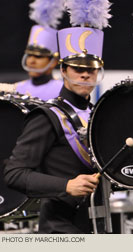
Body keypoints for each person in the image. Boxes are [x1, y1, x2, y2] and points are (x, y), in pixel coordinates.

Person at [4, 0, 111, 233]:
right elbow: (14, 174)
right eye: (77, 68)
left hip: (98, 227)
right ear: (63, 69)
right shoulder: (46, 116)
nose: (85, 74)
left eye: (91, 69)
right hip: (59, 228)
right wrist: (67, 185)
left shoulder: (96, 115)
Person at [15, 0, 65, 101]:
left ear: (53, 62)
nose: (31, 61)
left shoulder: (63, 90)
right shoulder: (16, 88)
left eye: (38, 56)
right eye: (29, 55)